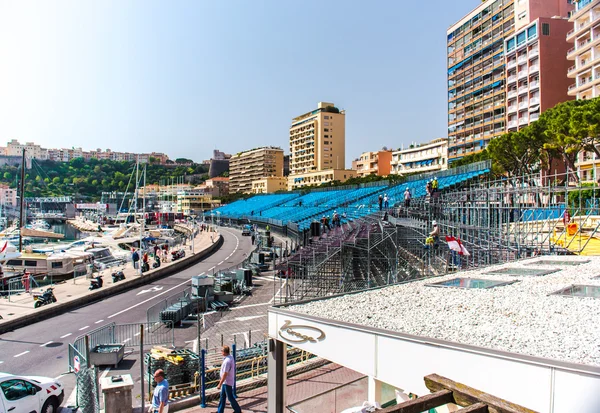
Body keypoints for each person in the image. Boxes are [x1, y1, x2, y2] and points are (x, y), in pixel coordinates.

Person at [217, 345, 242, 413]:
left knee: (230, 397)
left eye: (222, 351)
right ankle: (220, 411)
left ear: (224, 352)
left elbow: (225, 373)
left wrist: (220, 384)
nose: (221, 352)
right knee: (222, 396)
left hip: (226, 382)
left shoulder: (227, 361)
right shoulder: (230, 357)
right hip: (227, 381)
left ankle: (237, 410)